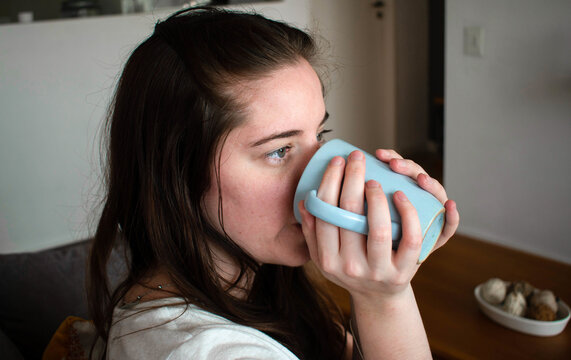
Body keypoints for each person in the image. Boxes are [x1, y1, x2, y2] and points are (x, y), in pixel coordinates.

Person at [88, 6, 459, 360]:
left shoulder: (255, 282)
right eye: (280, 151)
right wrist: (385, 302)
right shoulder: (200, 351)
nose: (323, 171)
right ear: (178, 174)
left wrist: (381, 276)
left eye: (319, 135)